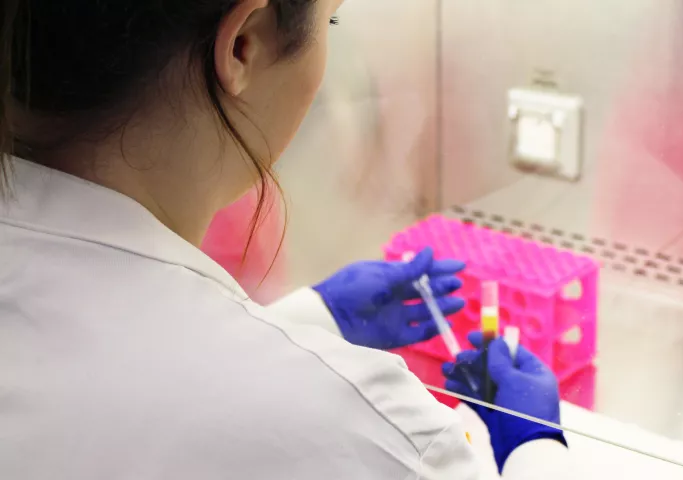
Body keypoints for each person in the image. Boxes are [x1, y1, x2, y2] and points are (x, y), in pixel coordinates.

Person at [0, 0, 570, 478]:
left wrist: (306, 320)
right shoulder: (370, 437)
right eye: (333, 23)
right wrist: (534, 448)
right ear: (244, 43)